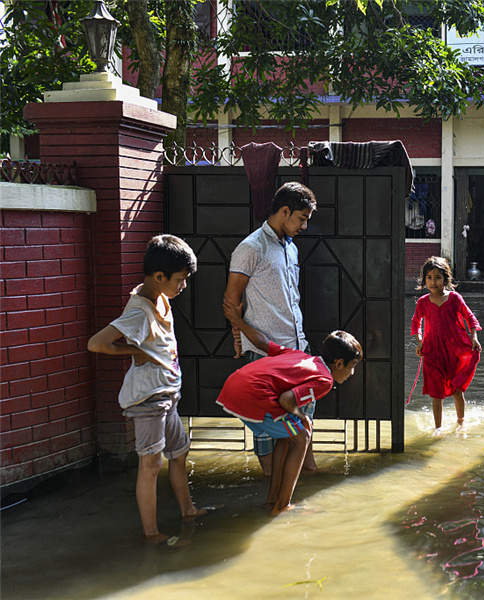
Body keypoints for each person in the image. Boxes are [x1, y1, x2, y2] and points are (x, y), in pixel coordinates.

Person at [87, 235, 211, 545]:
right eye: (180, 280)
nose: (184, 286)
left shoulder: (158, 296)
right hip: (149, 399)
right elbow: (97, 343)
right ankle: (151, 533)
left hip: (167, 394)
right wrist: (133, 352)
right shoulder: (140, 311)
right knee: (151, 463)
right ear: (159, 277)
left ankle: (188, 511)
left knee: (179, 454)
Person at [217, 301, 362, 515]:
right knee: (302, 435)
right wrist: (302, 417)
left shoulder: (301, 356)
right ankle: (282, 506)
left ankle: (272, 502)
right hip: (252, 396)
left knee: (288, 437)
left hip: (232, 387)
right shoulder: (324, 379)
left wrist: (238, 321)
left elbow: (262, 342)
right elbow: (287, 400)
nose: (351, 373)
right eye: (352, 367)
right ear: (339, 363)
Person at [224, 181, 317, 477]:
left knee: (304, 415)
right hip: (265, 352)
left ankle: (308, 474)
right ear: (285, 211)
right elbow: (231, 300)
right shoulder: (251, 248)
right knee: (269, 421)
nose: (304, 226)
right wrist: (238, 342)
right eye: (302, 218)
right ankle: (271, 482)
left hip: (297, 347)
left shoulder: (291, 247)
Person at [411, 256, 482, 430]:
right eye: (429, 277)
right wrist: (419, 341)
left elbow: (471, 318)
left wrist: (474, 337)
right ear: (424, 280)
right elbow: (415, 322)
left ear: (445, 279)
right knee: (437, 394)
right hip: (432, 352)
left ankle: (461, 424)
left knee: (457, 391)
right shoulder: (422, 302)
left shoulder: (455, 299)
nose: (433, 282)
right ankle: (438, 429)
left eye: (437, 277)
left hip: (455, 350)